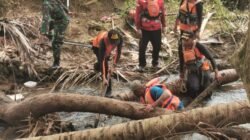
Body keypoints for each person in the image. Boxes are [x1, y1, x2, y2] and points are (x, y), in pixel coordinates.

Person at [179, 32, 219, 98]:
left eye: (187, 40)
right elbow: (181, 60)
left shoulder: (198, 45)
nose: (184, 42)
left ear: (193, 39)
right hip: (191, 71)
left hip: (203, 69)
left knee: (207, 91)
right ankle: (194, 103)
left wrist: (216, 72)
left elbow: (211, 58)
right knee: (193, 88)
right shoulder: (181, 47)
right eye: (183, 40)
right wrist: (181, 74)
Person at [135, 0, 166, 72]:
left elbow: (163, 13)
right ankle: (142, 64)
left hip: (156, 28)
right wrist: (138, 28)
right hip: (144, 29)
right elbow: (137, 14)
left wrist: (164, 26)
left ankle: (155, 62)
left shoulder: (160, 1)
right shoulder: (141, 2)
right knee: (142, 48)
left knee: (157, 46)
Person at [91, 29, 123, 96]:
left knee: (102, 63)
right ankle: (108, 91)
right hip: (97, 47)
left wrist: (114, 65)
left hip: (107, 49)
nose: (114, 43)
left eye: (115, 42)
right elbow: (102, 60)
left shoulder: (120, 37)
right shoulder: (102, 42)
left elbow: (118, 52)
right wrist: (104, 77)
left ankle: (96, 66)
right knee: (104, 65)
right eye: (112, 42)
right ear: (108, 39)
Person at [40, 0, 70, 69]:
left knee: (56, 43)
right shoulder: (49, 1)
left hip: (62, 22)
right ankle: (50, 38)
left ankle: (56, 63)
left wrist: (43, 32)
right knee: (44, 30)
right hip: (55, 20)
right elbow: (60, 2)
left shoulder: (46, 3)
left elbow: (46, 18)